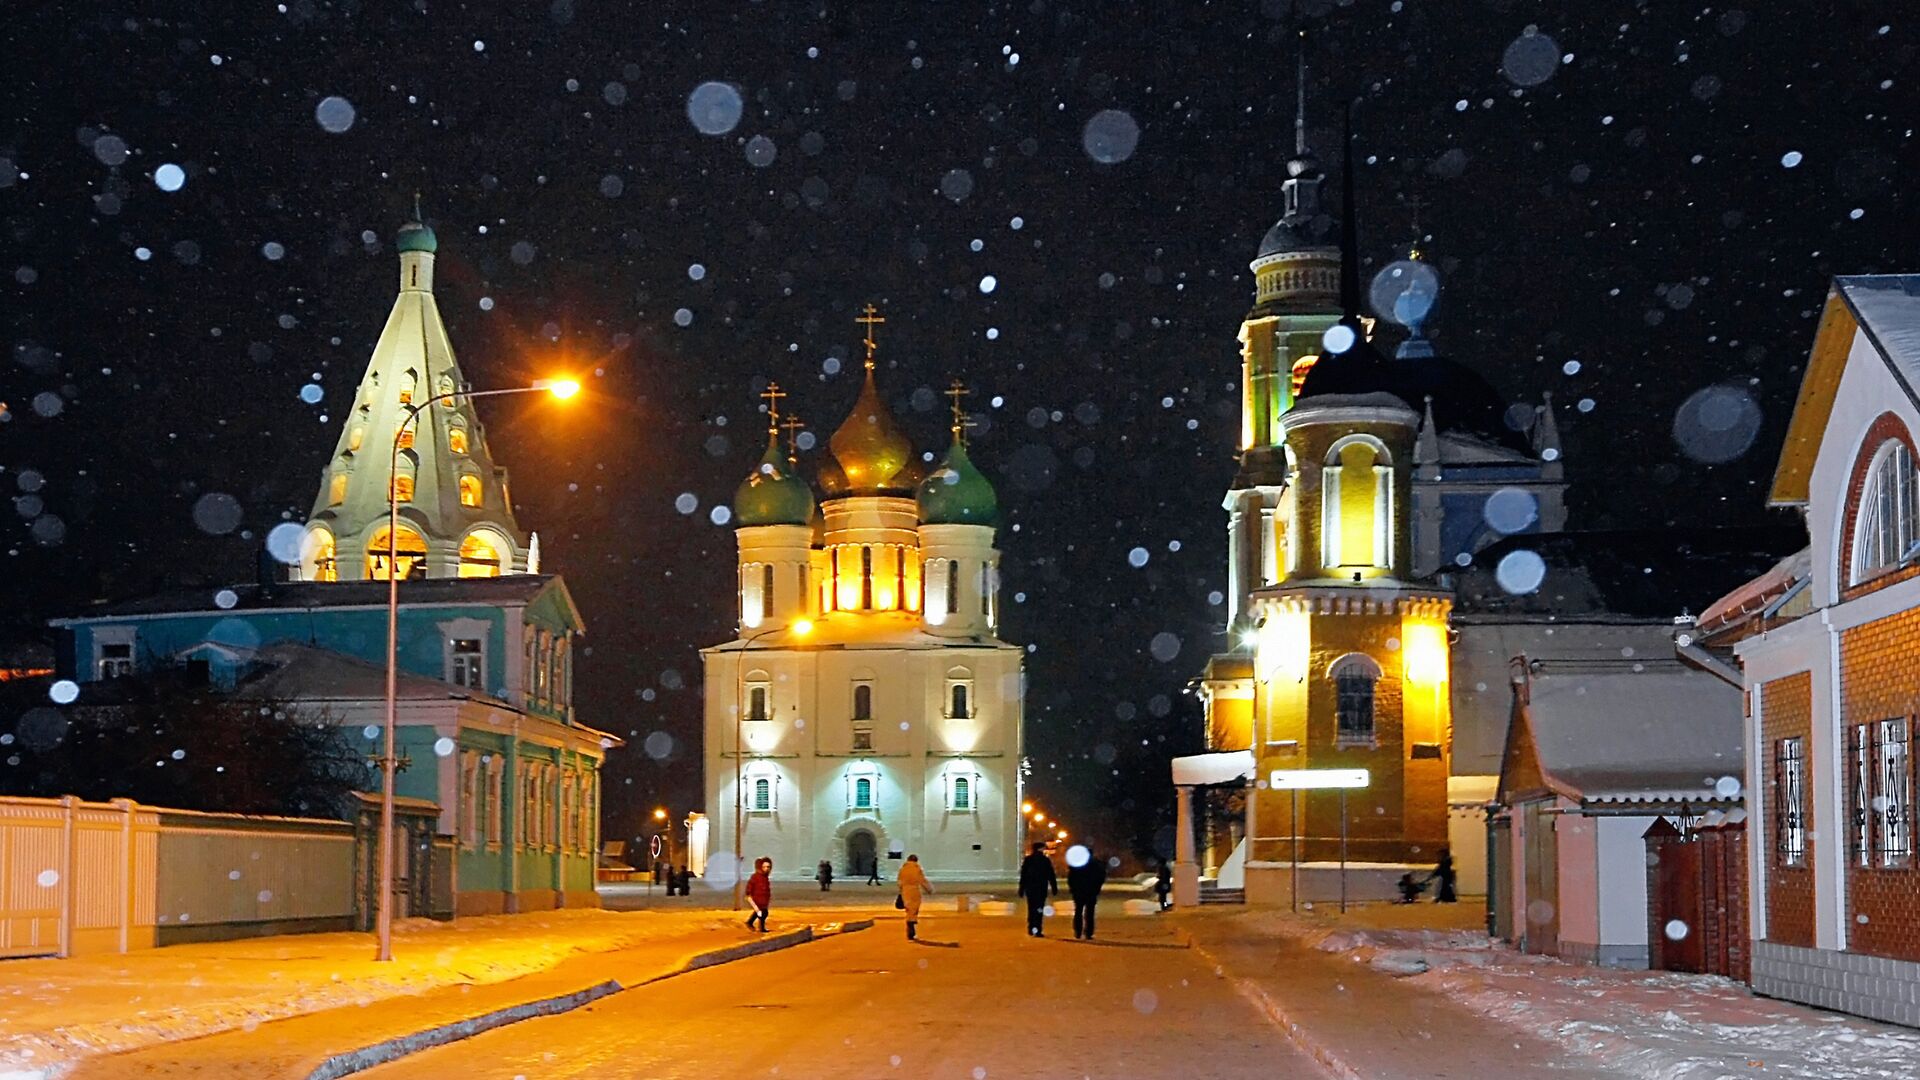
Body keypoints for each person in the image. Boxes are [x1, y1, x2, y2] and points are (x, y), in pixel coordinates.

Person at [1017, 842, 1057, 937]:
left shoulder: (1028, 860)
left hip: (1030, 889)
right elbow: (1051, 875)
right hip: (1041, 889)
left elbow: (1024, 876)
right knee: (1039, 909)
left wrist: (1021, 889)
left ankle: (1031, 928)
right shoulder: (1045, 860)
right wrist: (1054, 887)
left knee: (1031, 909)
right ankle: (1037, 929)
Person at [1067, 849, 1108, 940]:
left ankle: (1078, 931)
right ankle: (1088, 932)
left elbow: (1071, 878)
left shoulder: (1077, 863)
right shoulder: (1096, 864)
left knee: (1078, 911)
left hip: (1079, 891)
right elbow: (1101, 877)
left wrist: (1073, 889)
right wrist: (1097, 888)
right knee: (1090, 912)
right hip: (1091, 891)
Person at [896, 853, 934, 940]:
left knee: (909, 908)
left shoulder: (903, 869)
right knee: (914, 908)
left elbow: (899, 881)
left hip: (905, 891)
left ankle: (910, 926)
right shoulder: (917, 869)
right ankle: (911, 926)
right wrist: (929, 889)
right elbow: (922, 880)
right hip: (914, 890)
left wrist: (901, 889)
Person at [744, 857, 772, 932]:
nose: (767, 868)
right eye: (765, 867)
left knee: (761, 913)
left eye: (768, 867)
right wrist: (748, 894)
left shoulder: (765, 877)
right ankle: (759, 927)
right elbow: (750, 886)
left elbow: (766, 888)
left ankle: (751, 923)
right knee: (762, 912)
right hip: (757, 898)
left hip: (763, 899)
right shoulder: (755, 877)